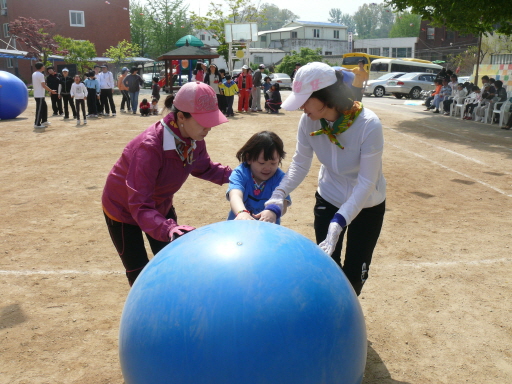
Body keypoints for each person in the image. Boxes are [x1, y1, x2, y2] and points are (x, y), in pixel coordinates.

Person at [263, 62, 386, 296]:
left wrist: (341, 220)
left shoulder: (368, 125)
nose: (301, 107)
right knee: (327, 268)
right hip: (329, 197)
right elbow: (300, 162)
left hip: (367, 204)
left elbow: (366, 182)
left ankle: (347, 319)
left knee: (354, 274)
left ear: (325, 95)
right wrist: (278, 195)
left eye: (305, 99)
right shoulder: (308, 120)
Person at [102, 81, 232, 286]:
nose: (209, 127)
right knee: (139, 274)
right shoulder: (150, 147)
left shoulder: (194, 138)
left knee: (174, 265)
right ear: (181, 116)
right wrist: (168, 229)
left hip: (159, 205)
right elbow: (140, 203)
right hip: (123, 209)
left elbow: (204, 167)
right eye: (203, 121)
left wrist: (239, 177)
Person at [227, 131, 291, 224]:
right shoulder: (240, 173)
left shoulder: (280, 178)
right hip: (240, 227)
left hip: (267, 230)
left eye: (273, 163)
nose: (267, 168)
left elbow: (283, 204)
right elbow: (235, 195)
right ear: (248, 158)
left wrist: (273, 211)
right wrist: (242, 213)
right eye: (262, 163)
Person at [32, 62, 56, 130]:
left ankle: (44, 121)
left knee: (44, 107)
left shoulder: (34, 73)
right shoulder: (40, 75)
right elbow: (43, 85)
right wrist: (51, 91)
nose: (44, 67)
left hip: (39, 95)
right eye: (43, 66)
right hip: (39, 95)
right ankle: (37, 124)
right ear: (41, 67)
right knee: (39, 109)